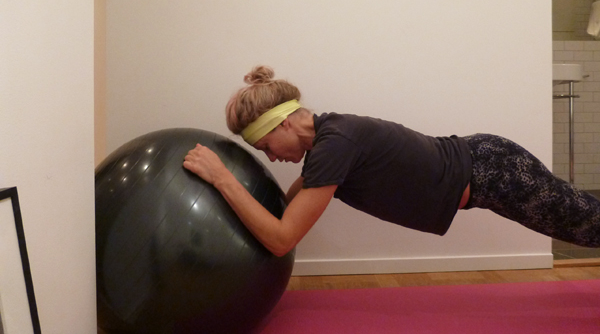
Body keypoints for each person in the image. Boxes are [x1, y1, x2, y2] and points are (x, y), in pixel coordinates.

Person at [183, 65, 600, 257]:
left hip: (495, 168)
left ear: (286, 122)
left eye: (266, 145)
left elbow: (281, 239)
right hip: (484, 163)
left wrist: (223, 178)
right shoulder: (326, 147)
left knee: (588, 227)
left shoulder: (334, 145)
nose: (272, 156)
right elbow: (287, 212)